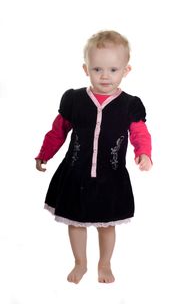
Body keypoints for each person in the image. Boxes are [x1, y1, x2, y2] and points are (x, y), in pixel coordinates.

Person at [35, 30, 152, 284]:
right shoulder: (75, 100)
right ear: (86, 69)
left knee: (106, 224)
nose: (105, 76)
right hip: (75, 174)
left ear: (126, 70)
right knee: (76, 222)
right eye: (97, 69)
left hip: (110, 178)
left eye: (113, 69)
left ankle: (105, 264)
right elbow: (58, 131)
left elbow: (140, 133)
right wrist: (45, 154)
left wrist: (143, 153)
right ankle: (80, 262)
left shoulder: (129, 105)